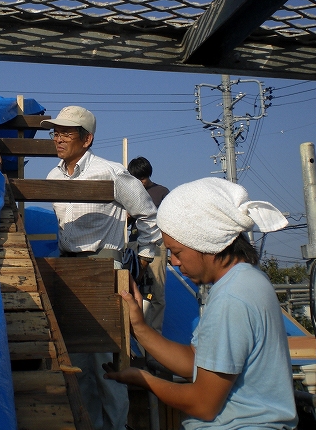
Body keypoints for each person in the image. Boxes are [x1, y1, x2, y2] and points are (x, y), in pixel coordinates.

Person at [103, 177, 298, 429]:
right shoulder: (245, 282)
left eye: (178, 252)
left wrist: (145, 379)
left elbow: (203, 405)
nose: (174, 262)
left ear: (205, 242)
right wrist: (139, 326)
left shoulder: (232, 297)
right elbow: (196, 362)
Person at [41, 106, 162, 430]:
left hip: (103, 265)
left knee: (106, 359)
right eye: (55, 131)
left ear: (87, 138)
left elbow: (148, 213)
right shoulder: (53, 177)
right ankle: (89, 424)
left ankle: (116, 425)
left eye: (66, 132)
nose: (58, 138)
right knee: (78, 359)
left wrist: (147, 254)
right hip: (69, 268)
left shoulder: (110, 173)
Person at [127, 156, 170, 333]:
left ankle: (155, 336)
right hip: (135, 243)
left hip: (157, 243)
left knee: (157, 291)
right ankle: (133, 335)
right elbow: (123, 222)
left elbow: (170, 221)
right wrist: (128, 216)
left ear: (148, 176)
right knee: (130, 286)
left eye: (142, 179)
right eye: (136, 179)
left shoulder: (161, 192)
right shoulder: (129, 194)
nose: (140, 183)